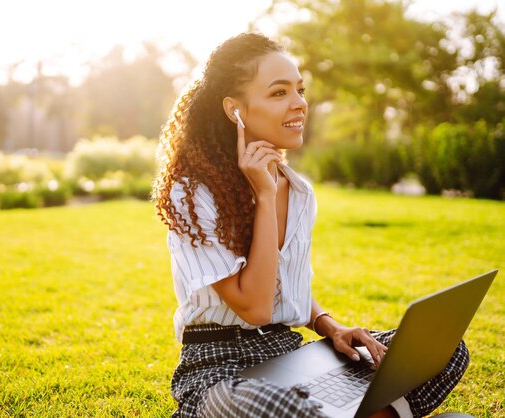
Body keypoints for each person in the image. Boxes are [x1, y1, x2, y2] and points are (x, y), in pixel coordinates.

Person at [152, 33, 469, 418]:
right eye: (278, 93)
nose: (299, 104)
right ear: (235, 110)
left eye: (299, 90)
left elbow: (283, 284)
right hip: (219, 369)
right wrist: (264, 199)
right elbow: (254, 308)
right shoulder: (191, 192)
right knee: (278, 404)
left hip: (290, 356)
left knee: (440, 348)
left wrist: (330, 326)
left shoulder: (299, 192)